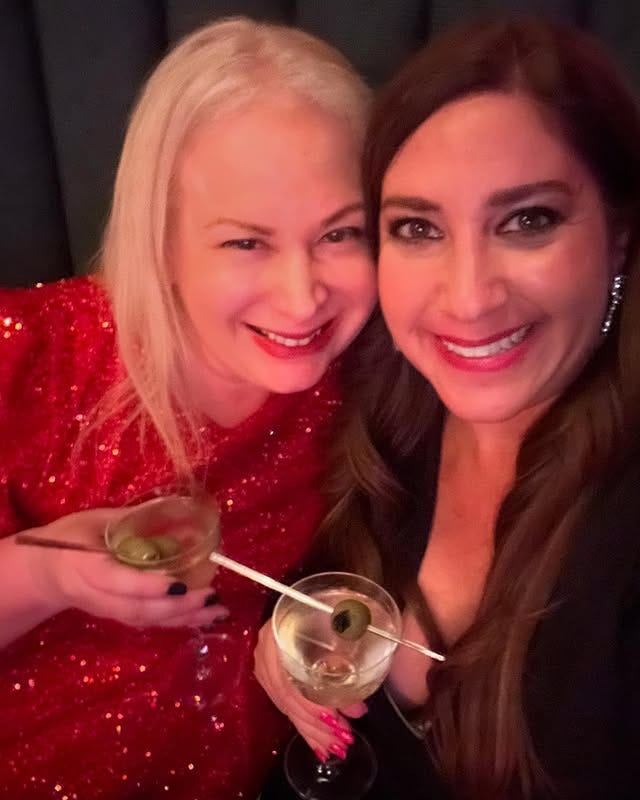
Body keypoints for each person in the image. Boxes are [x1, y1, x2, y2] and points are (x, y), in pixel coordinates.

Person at [255, 16, 640, 800]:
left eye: (528, 220)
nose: (468, 299)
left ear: (620, 239)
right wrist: (279, 641)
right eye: (418, 228)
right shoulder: (379, 406)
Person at [0, 16, 375, 799]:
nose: (301, 297)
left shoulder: (367, 380)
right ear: (162, 240)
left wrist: (301, 635)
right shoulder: (27, 354)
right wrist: (46, 574)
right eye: (246, 243)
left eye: (341, 234)